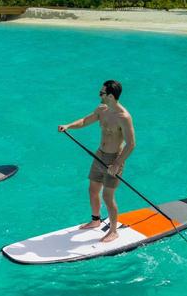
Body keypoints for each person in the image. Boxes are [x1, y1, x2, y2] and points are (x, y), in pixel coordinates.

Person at [58, 80, 135, 243]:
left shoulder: (124, 117)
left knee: (108, 196)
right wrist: (69, 125)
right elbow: (86, 120)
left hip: (114, 159)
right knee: (92, 189)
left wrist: (117, 164)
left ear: (111, 96)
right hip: (99, 155)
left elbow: (131, 144)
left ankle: (113, 231)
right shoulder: (102, 109)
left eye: (102, 93)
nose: (99, 95)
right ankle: (95, 220)